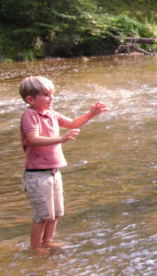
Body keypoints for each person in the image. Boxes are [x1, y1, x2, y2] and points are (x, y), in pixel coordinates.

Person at [18, 76, 107, 253]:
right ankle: (35, 247)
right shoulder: (30, 116)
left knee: (56, 213)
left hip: (53, 172)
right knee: (42, 215)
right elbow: (33, 139)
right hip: (36, 174)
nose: (52, 99)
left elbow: (73, 123)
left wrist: (91, 114)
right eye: (46, 95)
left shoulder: (51, 114)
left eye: (52, 95)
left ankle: (48, 241)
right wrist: (61, 139)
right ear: (31, 100)